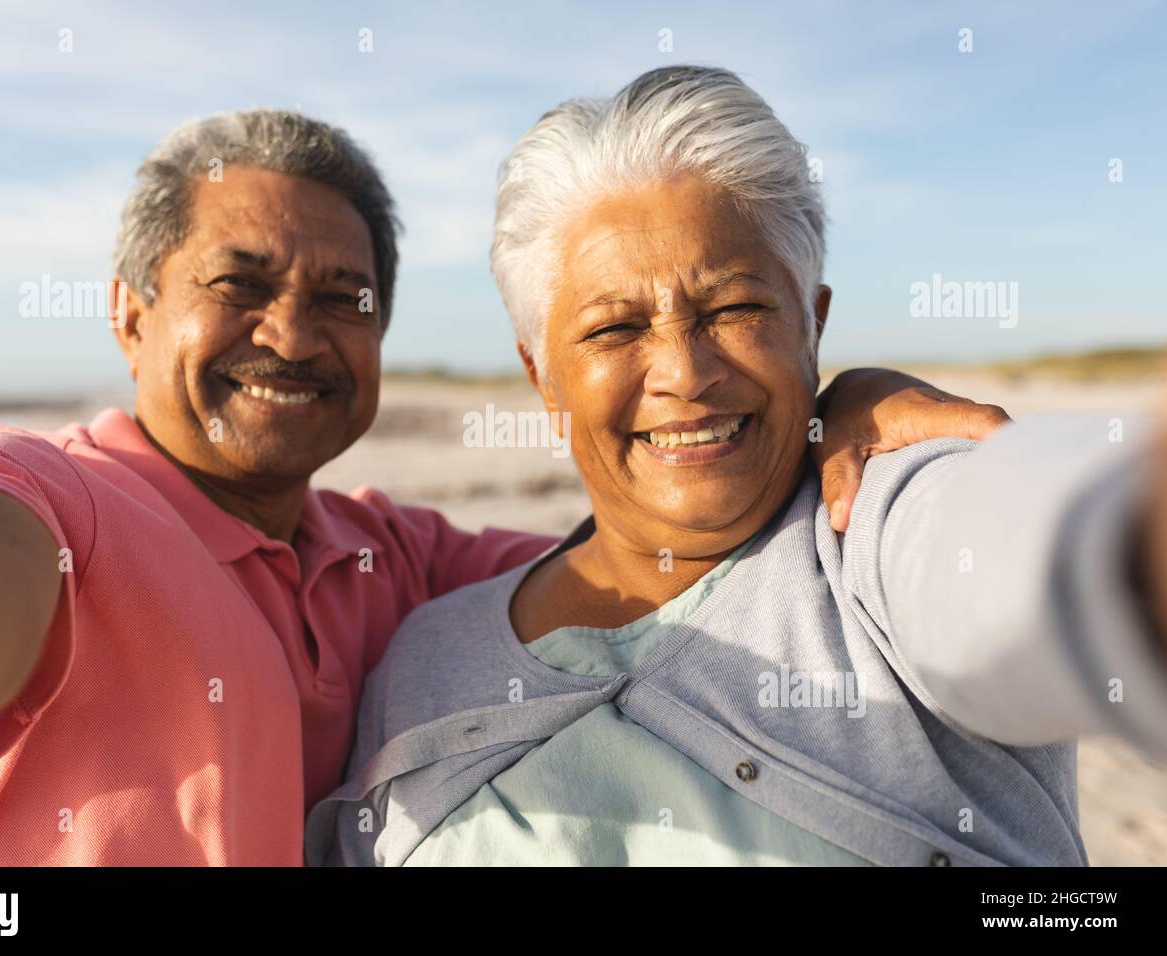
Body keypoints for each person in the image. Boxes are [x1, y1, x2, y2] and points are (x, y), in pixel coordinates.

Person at [0, 108, 1012, 865]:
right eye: (239, 284)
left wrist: (827, 402)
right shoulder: (47, 502)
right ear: (129, 312)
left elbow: (664, 546)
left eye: (343, 297)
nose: (291, 334)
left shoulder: (388, 563)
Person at [308, 66, 1167, 867]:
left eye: (736, 308)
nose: (685, 373)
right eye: (615, 327)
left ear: (812, 326)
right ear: (542, 373)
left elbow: (1042, 552)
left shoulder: (875, 532)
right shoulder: (422, 658)